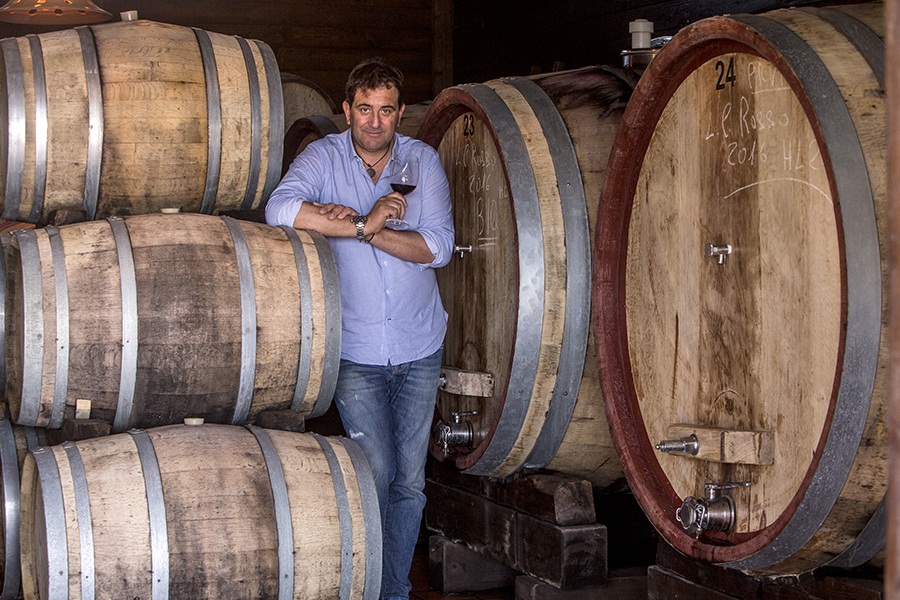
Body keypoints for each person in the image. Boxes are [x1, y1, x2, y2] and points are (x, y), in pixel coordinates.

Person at [265, 58, 454, 600]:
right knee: (376, 476)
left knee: (411, 484)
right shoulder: (322, 157)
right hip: (356, 352)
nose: (375, 122)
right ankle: (367, 588)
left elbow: (437, 247)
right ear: (346, 110)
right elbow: (280, 209)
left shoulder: (422, 162)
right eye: (364, 109)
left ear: (400, 114)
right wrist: (360, 221)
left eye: (386, 110)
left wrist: (369, 233)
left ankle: (394, 590)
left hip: (420, 345)